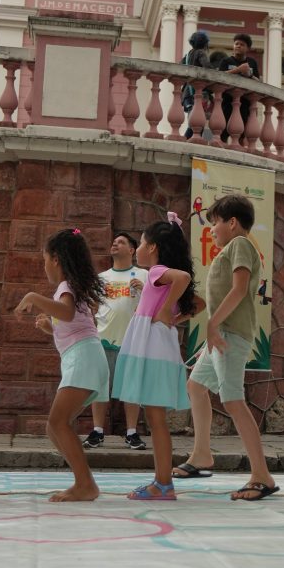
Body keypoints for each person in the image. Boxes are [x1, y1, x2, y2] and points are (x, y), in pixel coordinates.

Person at [173, 194, 279, 501]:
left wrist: (213, 323)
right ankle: (202, 455)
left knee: (233, 400)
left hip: (229, 334)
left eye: (216, 223)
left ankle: (262, 475)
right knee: (196, 385)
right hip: (222, 334)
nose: (212, 230)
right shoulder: (232, 248)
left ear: (232, 223)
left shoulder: (240, 245)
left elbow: (240, 288)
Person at [15, 228, 109, 502]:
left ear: (55, 259)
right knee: (54, 426)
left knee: (57, 422)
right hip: (85, 358)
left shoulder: (66, 288)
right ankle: (83, 482)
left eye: (44, 259)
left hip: (84, 359)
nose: (44, 265)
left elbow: (67, 313)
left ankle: (85, 484)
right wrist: (50, 327)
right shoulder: (72, 288)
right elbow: (71, 323)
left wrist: (32, 297)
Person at [112, 213, 200, 501]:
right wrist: (175, 313)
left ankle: (163, 484)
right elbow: (199, 303)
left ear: (152, 247)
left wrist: (166, 310)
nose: (138, 248)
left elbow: (185, 278)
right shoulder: (160, 274)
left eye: (142, 242)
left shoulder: (154, 271)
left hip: (150, 346)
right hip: (160, 346)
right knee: (156, 418)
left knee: (155, 418)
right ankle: (162, 482)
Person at [82, 232, 148, 451]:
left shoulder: (144, 275)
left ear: (131, 250)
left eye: (121, 242)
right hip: (103, 340)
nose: (115, 244)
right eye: (114, 242)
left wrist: (146, 291)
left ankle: (131, 432)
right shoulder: (101, 278)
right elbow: (92, 305)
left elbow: (157, 303)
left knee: (131, 388)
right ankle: (98, 431)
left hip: (132, 341)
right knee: (100, 386)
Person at [219, 34, 260, 142]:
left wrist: (249, 75)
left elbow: (259, 83)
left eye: (242, 44)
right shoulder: (226, 61)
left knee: (241, 134)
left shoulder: (252, 63)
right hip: (227, 101)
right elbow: (219, 77)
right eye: (236, 44)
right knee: (223, 131)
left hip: (245, 103)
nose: (238, 46)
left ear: (248, 48)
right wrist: (238, 70)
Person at [181, 30, 212, 139]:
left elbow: (180, 67)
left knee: (192, 120)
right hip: (198, 93)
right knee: (198, 123)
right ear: (205, 44)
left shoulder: (188, 55)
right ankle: (185, 140)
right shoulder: (201, 53)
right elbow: (207, 67)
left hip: (186, 93)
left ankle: (186, 140)